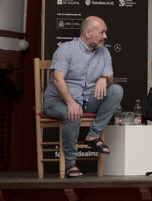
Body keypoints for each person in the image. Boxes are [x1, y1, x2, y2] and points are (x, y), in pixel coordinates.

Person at [41, 16, 124, 178]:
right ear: (88, 32)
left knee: (116, 90)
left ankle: (93, 134)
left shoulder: (104, 52)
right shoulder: (66, 49)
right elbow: (58, 79)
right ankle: (71, 163)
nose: (105, 37)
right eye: (102, 32)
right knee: (72, 112)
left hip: (87, 100)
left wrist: (104, 79)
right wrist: (70, 102)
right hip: (57, 101)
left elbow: (110, 77)